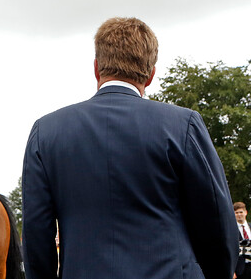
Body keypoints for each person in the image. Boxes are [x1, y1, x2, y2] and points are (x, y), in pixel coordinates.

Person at [22, 17, 238, 279]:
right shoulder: (183, 125)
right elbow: (215, 218)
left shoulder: (45, 132)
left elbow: (36, 234)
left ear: (96, 68)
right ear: (150, 74)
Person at [236, 202, 251, 279]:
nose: (239, 214)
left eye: (241, 212)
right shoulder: (231, 230)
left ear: (245, 212)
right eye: (236, 213)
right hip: (240, 269)